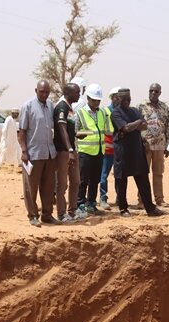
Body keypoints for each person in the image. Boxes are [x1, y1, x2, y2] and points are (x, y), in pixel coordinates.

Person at [110, 88, 164, 218]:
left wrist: (132, 126)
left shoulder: (134, 111)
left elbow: (144, 126)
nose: (127, 101)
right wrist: (136, 124)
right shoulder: (115, 113)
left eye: (129, 99)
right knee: (121, 181)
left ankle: (150, 208)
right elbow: (125, 128)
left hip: (137, 150)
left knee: (143, 180)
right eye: (124, 99)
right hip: (122, 151)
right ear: (118, 99)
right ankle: (123, 208)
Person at [18, 80, 58, 227]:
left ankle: (47, 215)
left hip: (49, 153)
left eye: (47, 92)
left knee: (48, 188)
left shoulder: (51, 106)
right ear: (36, 90)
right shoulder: (28, 106)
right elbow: (21, 132)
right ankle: (33, 215)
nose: (45, 94)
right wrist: (24, 151)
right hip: (33, 154)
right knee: (31, 187)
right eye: (42, 91)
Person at [75, 83, 111, 216]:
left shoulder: (102, 113)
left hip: (99, 151)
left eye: (98, 100)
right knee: (83, 180)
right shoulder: (80, 113)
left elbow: (107, 130)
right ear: (88, 99)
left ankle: (91, 203)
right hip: (85, 152)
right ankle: (80, 204)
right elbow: (75, 132)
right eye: (94, 100)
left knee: (95, 179)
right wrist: (82, 134)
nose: (97, 102)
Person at [138, 83, 169, 207]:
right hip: (145, 145)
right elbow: (137, 126)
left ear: (160, 93)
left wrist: (168, 146)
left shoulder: (164, 107)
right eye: (151, 90)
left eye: (156, 91)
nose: (153, 93)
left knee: (158, 173)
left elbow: (168, 127)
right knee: (142, 173)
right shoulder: (141, 106)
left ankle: (159, 199)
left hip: (160, 145)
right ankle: (142, 199)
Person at [54, 83, 81, 223]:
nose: (79, 95)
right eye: (77, 92)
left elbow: (69, 130)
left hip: (72, 149)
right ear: (68, 93)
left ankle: (72, 211)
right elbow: (62, 129)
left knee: (76, 181)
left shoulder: (70, 108)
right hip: (63, 151)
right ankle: (61, 213)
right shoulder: (61, 107)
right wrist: (69, 149)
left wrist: (77, 135)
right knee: (62, 184)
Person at [99, 86, 120, 210]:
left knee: (119, 175)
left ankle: (120, 197)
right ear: (112, 98)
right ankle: (103, 198)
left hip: (118, 149)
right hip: (107, 148)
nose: (119, 99)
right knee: (104, 175)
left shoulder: (123, 111)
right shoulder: (105, 111)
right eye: (117, 97)